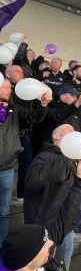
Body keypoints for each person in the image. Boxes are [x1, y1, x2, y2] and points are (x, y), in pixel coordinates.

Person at [0, 155, 81, 271]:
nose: (51, 243)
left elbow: (64, 222)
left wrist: (80, 179)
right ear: (28, 258)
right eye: (44, 244)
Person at [24, 124, 81, 271]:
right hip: (45, 227)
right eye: (69, 135)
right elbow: (32, 182)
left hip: (65, 226)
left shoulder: (70, 160)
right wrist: (61, 162)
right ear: (56, 137)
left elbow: (72, 194)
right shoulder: (44, 157)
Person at [0, 80, 22, 247]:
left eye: (10, 87)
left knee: (4, 212)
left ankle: (1, 244)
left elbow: (33, 118)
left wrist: (43, 104)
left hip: (7, 167)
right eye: (5, 87)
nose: (9, 90)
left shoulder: (14, 110)